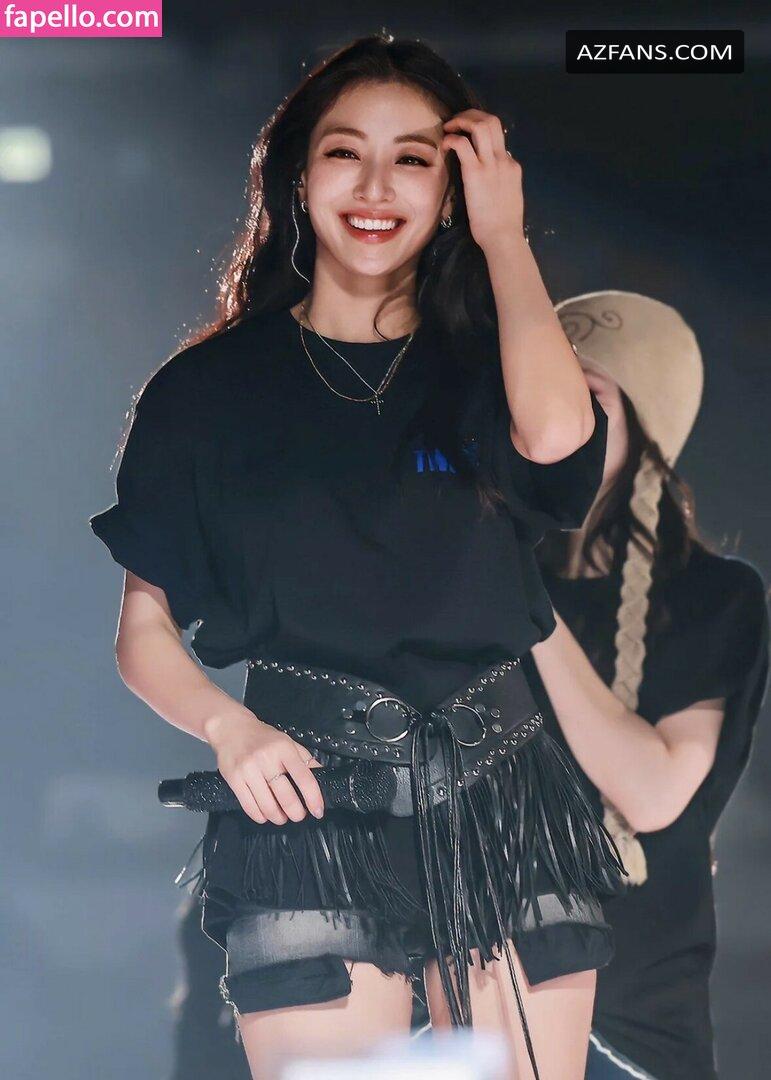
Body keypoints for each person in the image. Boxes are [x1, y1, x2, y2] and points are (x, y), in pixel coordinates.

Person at [88, 34, 625, 1079]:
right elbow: (141, 631)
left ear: (452, 189)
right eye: (345, 152)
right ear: (297, 175)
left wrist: (505, 238)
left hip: (504, 792)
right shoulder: (207, 392)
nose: (376, 188)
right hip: (306, 805)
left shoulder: (495, 364)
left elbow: (561, 440)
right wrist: (229, 729)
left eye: (412, 160)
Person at [524, 290, 770, 1079]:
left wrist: (518, 600)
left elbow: (652, 791)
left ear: (643, 435)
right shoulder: (464, 577)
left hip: (633, 1016)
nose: (553, 412)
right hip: (475, 992)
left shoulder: (713, 597)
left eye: (587, 395)